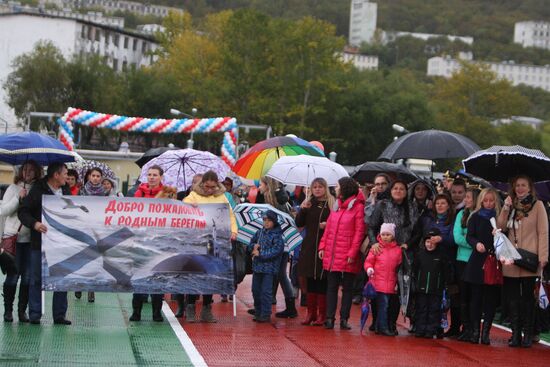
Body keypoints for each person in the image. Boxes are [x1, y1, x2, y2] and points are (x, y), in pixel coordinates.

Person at [497, 175, 549, 347]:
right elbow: (500, 227)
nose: (520, 188)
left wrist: (543, 257)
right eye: (517, 185)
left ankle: (528, 334)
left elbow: (543, 232)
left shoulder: (538, 205)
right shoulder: (510, 205)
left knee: (527, 298)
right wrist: (505, 207)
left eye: (523, 185)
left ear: (529, 187)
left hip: (530, 258)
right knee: (512, 298)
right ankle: (515, 333)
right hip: (511, 258)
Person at [18, 162, 71, 325]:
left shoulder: (66, 190)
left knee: (62, 278)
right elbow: (23, 212)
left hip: (61, 243)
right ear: (56, 175)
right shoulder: (38, 189)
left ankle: (59, 315)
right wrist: (35, 224)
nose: (67, 177)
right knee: (36, 279)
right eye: (65, 173)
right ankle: (34, 314)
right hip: (39, 243)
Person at [183, 170, 238, 323]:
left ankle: (207, 308)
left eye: (212, 187)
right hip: (196, 241)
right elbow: (183, 206)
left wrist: (233, 231)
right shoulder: (194, 195)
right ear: (203, 184)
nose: (209, 190)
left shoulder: (222, 197)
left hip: (214, 241)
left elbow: (230, 215)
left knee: (210, 275)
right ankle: (191, 307)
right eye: (207, 187)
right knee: (195, 274)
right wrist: (190, 205)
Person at [368, 180, 418, 334]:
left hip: (403, 253)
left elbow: (417, 231)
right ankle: (377, 321)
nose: (398, 191)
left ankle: (391, 323)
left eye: (402, 188)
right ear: (390, 190)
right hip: (382, 251)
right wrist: (373, 243)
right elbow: (371, 226)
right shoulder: (382, 205)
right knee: (379, 289)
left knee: (398, 290)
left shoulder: (412, 206)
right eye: (395, 188)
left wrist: (408, 244)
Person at [318, 177, 365, 330]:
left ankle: (344, 318)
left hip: (347, 253)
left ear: (344, 188)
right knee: (331, 286)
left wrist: (352, 252)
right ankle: (330, 318)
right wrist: (323, 246)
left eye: (337, 186)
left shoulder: (358, 208)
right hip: (332, 252)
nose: (335, 188)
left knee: (347, 287)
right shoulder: (336, 206)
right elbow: (329, 229)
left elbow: (359, 232)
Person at [1, 161, 42, 323]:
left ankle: (22, 311)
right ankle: (8, 310)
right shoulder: (13, 188)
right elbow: (4, 211)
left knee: (27, 277)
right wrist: (18, 199)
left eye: (32, 170)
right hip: (13, 238)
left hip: (30, 240)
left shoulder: (37, 189)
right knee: (12, 275)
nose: (28, 173)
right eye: (25, 170)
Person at [464, 188, 502, 345]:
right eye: (485, 200)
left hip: (494, 260)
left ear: (495, 202)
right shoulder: (475, 217)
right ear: (480, 201)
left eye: (491, 200)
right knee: (476, 298)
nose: (488, 203)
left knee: (491, 299)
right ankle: (475, 332)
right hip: (477, 260)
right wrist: (476, 243)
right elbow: (469, 236)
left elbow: (505, 236)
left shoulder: (500, 218)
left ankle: (485, 332)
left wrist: (498, 236)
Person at [295, 178, 335, 326]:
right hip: (309, 245)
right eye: (315, 187)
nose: (317, 189)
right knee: (310, 278)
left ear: (325, 188)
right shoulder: (308, 203)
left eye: (320, 187)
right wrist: (303, 209)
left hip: (325, 246)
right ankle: (310, 313)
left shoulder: (331, 204)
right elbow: (299, 223)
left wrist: (328, 225)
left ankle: (322, 314)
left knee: (322, 279)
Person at [256, 176, 296, 317]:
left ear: (267, 185)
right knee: (278, 274)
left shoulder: (277, 201)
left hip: (280, 242)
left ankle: (291, 307)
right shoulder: (276, 200)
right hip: (280, 242)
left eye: (260, 184)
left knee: (280, 274)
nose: (259, 187)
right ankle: (268, 304)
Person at [129, 165, 165, 322]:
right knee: (139, 276)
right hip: (140, 240)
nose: (151, 177)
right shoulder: (138, 193)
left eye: (155, 175)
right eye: (149, 174)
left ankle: (157, 312)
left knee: (158, 277)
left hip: (159, 241)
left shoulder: (167, 195)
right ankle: (136, 311)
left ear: (161, 177)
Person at [364, 223, 402, 336]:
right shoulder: (376, 248)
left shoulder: (398, 250)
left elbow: (399, 266)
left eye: (388, 234)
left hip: (391, 284)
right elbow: (368, 261)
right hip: (378, 283)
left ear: (393, 236)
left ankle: (379, 326)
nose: (385, 237)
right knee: (383, 305)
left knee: (386, 306)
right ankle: (383, 327)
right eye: (383, 234)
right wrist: (369, 269)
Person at [453, 187, 480, 342]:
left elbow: (481, 238)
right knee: (463, 296)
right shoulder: (461, 214)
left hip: (476, 260)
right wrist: (473, 242)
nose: (466, 200)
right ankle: (466, 328)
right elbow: (457, 237)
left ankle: (474, 330)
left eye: (469, 197)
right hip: (462, 260)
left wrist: (471, 240)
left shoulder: (481, 216)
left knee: (474, 296)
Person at [247, 210, 284, 323]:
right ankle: (258, 311)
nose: (266, 223)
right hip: (257, 267)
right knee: (255, 290)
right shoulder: (259, 233)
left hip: (269, 269)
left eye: (269, 220)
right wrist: (253, 247)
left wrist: (261, 254)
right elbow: (250, 244)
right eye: (264, 220)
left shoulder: (277, 236)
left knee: (266, 291)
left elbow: (276, 251)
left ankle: (265, 313)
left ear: (274, 222)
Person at [76, 167, 107, 303]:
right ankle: (79, 284)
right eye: (93, 175)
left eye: (98, 176)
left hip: (98, 229)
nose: (95, 178)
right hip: (83, 228)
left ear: (101, 178)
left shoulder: (105, 193)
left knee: (94, 260)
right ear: (89, 177)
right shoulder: (81, 191)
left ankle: (91, 289)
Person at [413, 228, 450, 339]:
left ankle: (431, 330)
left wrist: (446, 284)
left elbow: (447, 271)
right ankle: (420, 329)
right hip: (421, 288)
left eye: (432, 242)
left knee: (434, 310)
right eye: (427, 242)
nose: (429, 244)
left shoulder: (441, 256)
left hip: (436, 289)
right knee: (421, 309)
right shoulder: (420, 255)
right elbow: (414, 270)